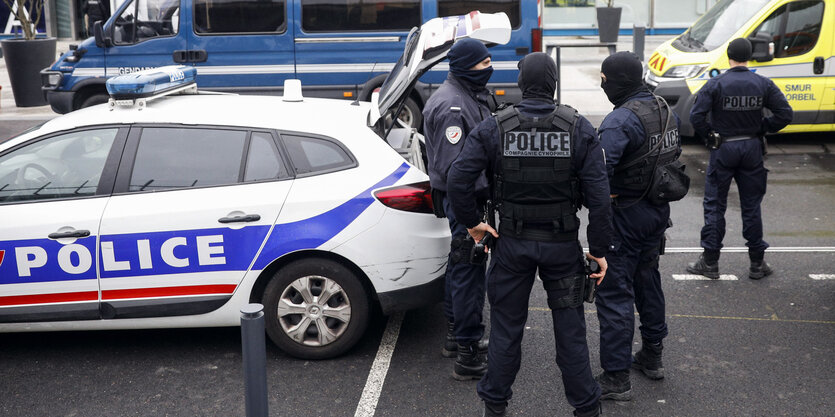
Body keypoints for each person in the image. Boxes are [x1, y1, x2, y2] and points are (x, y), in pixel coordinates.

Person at [447, 52, 611, 417]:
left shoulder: (495, 126)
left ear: (522, 84)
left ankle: (495, 406)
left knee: (506, 329)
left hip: (512, 247)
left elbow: (458, 178)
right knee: (571, 332)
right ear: (552, 84)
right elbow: (600, 198)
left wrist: (473, 222)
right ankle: (586, 408)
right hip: (563, 247)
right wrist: (599, 251)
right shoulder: (579, 127)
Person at [595, 51, 682, 401]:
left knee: (615, 293)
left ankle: (616, 378)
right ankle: (652, 354)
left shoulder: (620, 121)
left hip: (626, 214)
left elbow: (598, 174)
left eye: (604, 79)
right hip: (656, 211)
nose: (602, 85)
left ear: (616, 80)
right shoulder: (663, 109)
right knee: (648, 280)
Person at [687, 38, 793, 280]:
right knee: (751, 205)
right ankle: (757, 263)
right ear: (750, 57)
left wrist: (710, 135)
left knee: (715, 205)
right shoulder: (762, 83)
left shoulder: (716, 84)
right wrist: (762, 127)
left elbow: (696, 117)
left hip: (724, 148)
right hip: (752, 147)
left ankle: (710, 262)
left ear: (728, 56)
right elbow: (785, 114)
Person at [422, 37, 494, 380]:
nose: (489, 68)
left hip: (467, 199)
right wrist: (471, 219)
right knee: (468, 268)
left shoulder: (466, 94)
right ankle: (467, 351)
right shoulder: (453, 105)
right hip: (465, 201)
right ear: (466, 67)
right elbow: (455, 173)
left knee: (461, 265)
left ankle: (456, 334)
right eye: (483, 64)